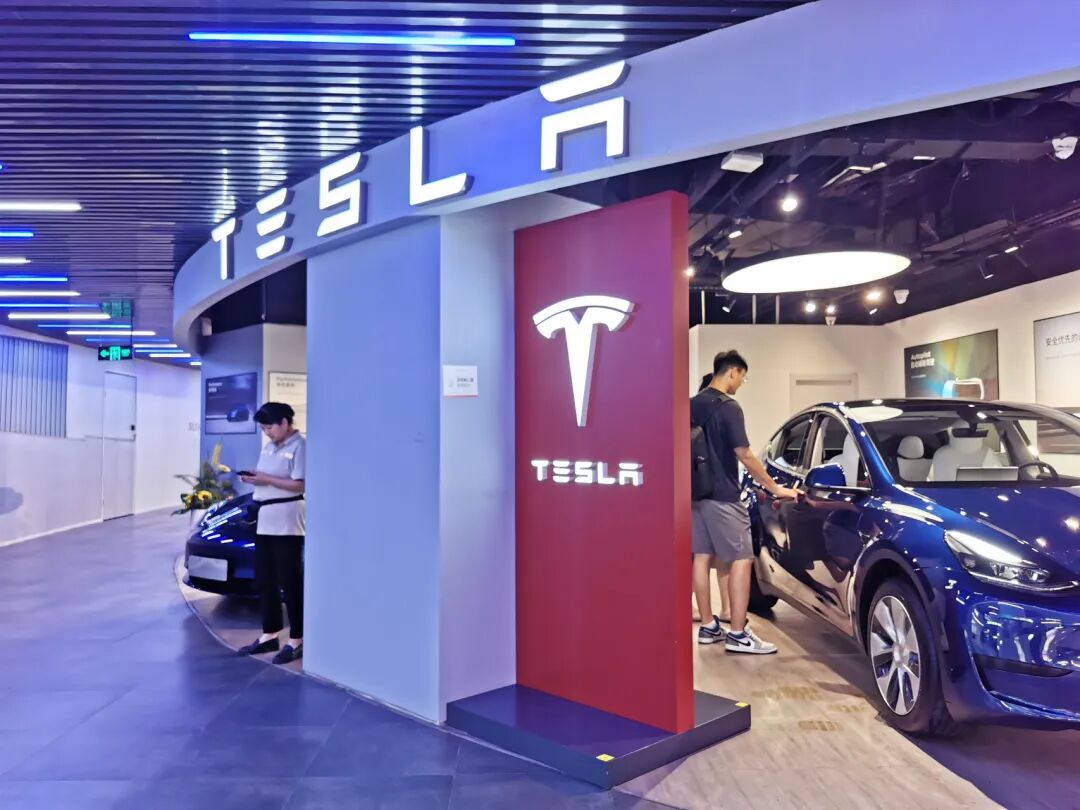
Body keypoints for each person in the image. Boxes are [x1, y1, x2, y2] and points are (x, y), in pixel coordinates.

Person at [691, 350, 799, 654]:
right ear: (733, 372)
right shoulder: (729, 407)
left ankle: (709, 626)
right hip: (724, 495)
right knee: (742, 558)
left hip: (696, 494)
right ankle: (738, 633)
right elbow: (745, 454)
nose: (741, 383)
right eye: (743, 377)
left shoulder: (691, 404)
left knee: (701, 557)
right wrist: (775, 487)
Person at [237, 402, 307, 665]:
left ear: (285, 422)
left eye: (270, 427)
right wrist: (254, 478)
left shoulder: (300, 446)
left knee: (290, 580)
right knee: (265, 579)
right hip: (265, 518)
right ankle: (269, 634)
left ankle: (297, 639)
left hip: (287, 519)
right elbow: (267, 477)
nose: (267, 432)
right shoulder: (268, 447)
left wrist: (265, 479)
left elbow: (300, 484)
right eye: (263, 428)